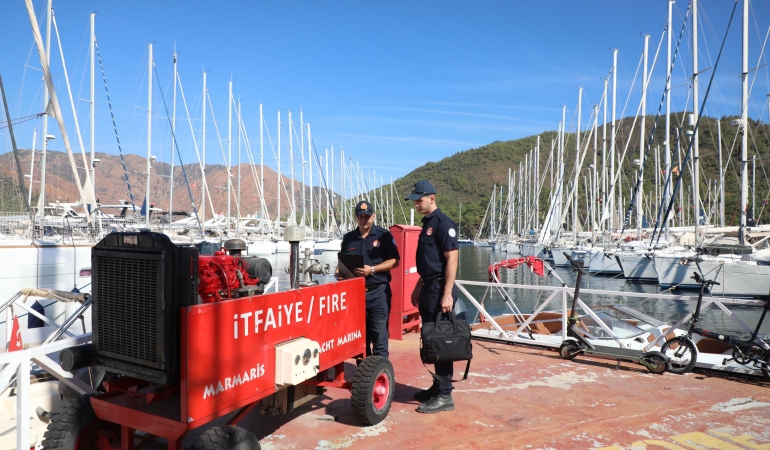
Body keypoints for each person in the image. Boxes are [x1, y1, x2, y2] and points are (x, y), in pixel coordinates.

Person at [405, 180, 459, 414]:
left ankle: (445, 395)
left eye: (420, 199)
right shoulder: (427, 224)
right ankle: (438, 386)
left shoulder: (443, 223)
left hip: (440, 290)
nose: (417, 204)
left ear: (432, 198)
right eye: (415, 200)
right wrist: (419, 285)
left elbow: (452, 259)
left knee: (442, 341)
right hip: (429, 287)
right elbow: (430, 263)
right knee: (431, 339)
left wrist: (447, 294)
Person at [337, 200, 400, 358]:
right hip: (356, 295)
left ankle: (381, 376)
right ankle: (363, 377)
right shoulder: (348, 238)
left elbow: (394, 261)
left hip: (378, 293)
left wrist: (372, 269)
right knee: (360, 339)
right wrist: (338, 271)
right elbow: (342, 262)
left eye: (367, 216)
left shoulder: (383, 235)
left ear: (373, 216)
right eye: (360, 216)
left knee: (379, 337)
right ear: (355, 217)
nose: (364, 220)